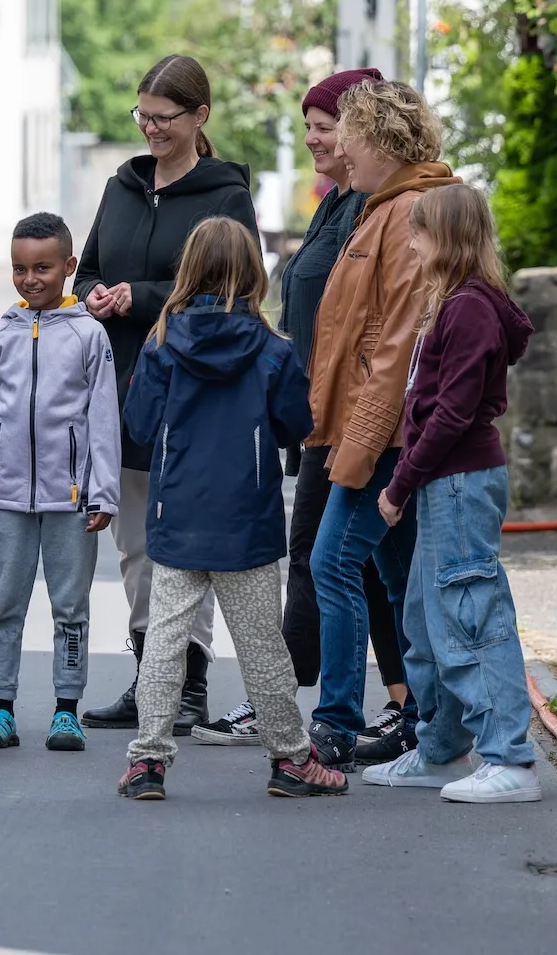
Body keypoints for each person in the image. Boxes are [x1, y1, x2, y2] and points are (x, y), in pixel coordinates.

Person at [194, 68, 416, 757]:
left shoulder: (377, 208)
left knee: (333, 558)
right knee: (357, 561)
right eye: (311, 127)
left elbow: (384, 324)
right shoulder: (337, 203)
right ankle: (394, 708)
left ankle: (308, 705)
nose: (316, 138)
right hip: (325, 409)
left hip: (358, 413)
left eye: (326, 126)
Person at [113, 218, 348, 801]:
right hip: (249, 517)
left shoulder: (162, 342)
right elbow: (299, 424)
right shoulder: (271, 349)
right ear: (253, 273)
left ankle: (147, 762)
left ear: (187, 270)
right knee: (263, 645)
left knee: (166, 642)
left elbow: (139, 424)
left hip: (177, 516)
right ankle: (291, 759)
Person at [73, 55, 260, 735]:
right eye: (142, 116)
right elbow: (89, 263)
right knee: (134, 541)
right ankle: (151, 672)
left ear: (200, 116)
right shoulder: (123, 186)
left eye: (164, 118)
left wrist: (144, 297)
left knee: (184, 542)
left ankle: (185, 685)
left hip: (193, 387)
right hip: (120, 386)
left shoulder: (224, 194)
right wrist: (93, 290)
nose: (150, 129)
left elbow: (238, 286)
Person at [367, 185, 542, 802]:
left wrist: (400, 483)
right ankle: (441, 749)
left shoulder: (467, 307)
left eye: (419, 232)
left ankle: (510, 760)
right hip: (448, 483)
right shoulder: (456, 303)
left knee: (471, 617)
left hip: (459, 482)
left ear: (446, 237)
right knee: (426, 619)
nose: (411, 242)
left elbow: (452, 412)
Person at [305, 80, 461, 771]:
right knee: (397, 581)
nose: (339, 146)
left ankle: (335, 724)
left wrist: (358, 449)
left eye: (349, 134)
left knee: (331, 561)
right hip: (375, 431)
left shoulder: (404, 216)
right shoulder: (381, 209)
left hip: (385, 436)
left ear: (381, 142)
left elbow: (396, 346)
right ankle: (430, 727)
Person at [0, 213, 120, 754]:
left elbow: (102, 420)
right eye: (21, 268)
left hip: (72, 501)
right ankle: (1, 710)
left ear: (70, 267)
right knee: (6, 606)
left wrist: (104, 491)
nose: (31, 279)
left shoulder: (90, 336)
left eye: (43, 267)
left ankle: (66, 711)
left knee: (71, 609)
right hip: (5, 501)